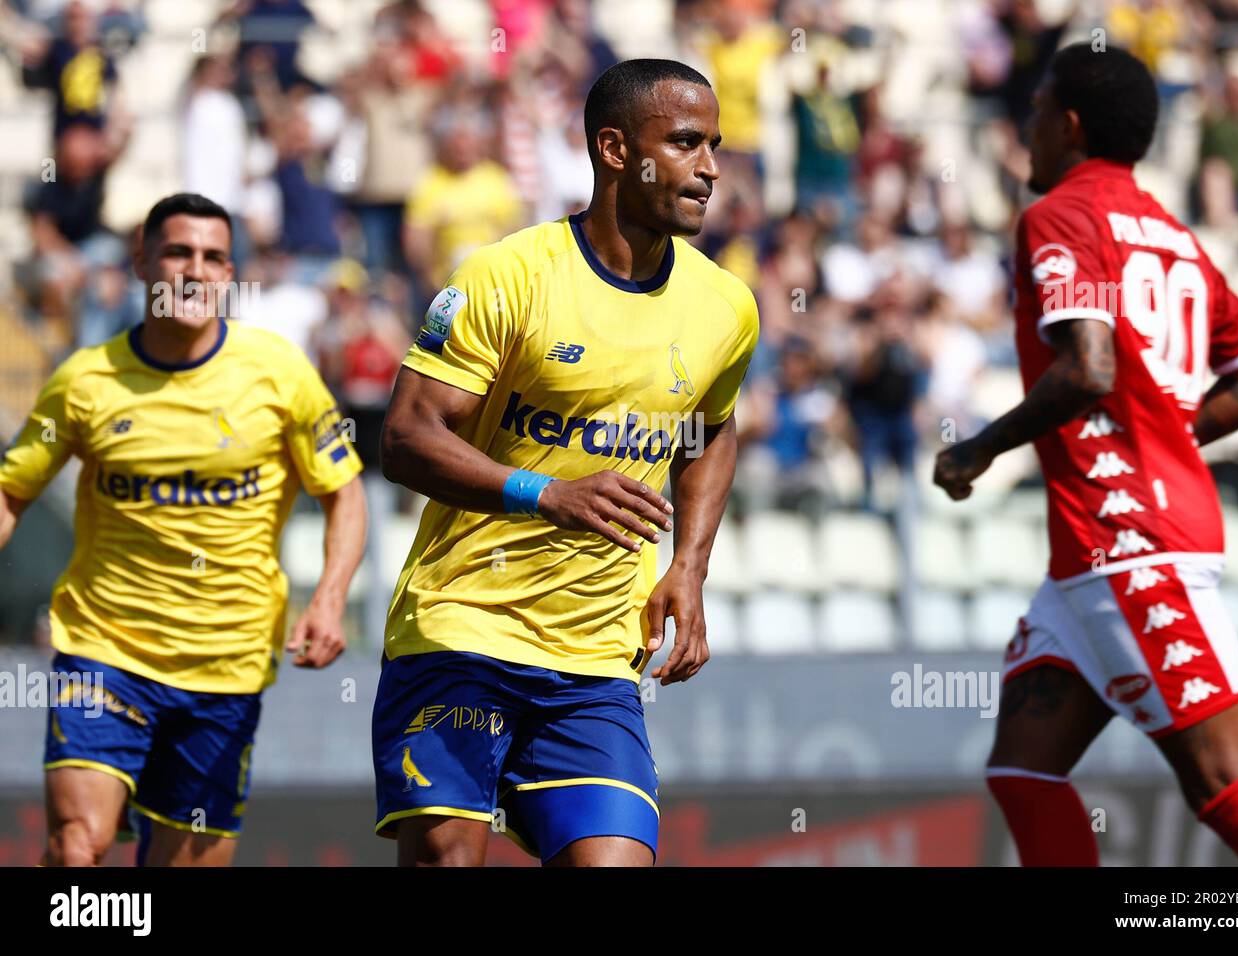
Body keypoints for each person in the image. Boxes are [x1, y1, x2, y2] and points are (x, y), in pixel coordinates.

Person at [373, 58, 759, 866]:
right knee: (448, 857)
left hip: (594, 659)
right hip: (462, 629)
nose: (710, 167)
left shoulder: (726, 306)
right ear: (615, 149)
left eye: (714, 144)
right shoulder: (505, 276)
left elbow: (713, 429)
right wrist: (545, 494)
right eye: (686, 142)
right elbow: (406, 436)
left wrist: (689, 566)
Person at [934, 43, 1238, 866]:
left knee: (1221, 778)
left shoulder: (1059, 214)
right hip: (1092, 558)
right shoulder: (1173, 235)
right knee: (1024, 772)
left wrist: (980, 450)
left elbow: (1088, 367)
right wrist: (1172, 433)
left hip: (1129, 542)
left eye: (1033, 115)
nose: (1024, 132)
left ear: (1067, 125)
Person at [0, 193, 367, 866]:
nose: (194, 272)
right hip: (104, 651)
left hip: (226, 666)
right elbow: (11, 490)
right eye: (177, 253)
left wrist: (331, 597)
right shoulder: (84, 381)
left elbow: (344, 492)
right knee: (75, 846)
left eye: (214, 258)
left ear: (231, 274)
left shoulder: (280, 374)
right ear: (141, 262)